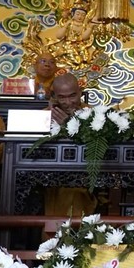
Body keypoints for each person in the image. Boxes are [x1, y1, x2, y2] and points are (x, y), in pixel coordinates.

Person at [45, 74, 97, 216]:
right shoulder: (46, 115)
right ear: (54, 96)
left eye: (72, 96)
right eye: (62, 97)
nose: (68, 102)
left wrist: (68, 124)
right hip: (50, 177)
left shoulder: (94, 115)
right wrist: (45, 120)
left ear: (80, 92)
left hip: (85, 178)